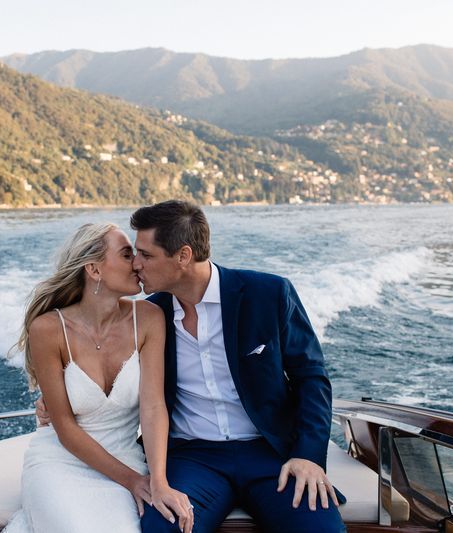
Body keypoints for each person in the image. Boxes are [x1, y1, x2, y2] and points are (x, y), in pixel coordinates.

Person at [38, 201, 346, 532]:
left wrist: (308, 455)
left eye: (146, 255)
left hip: (270, 454)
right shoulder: (150, 316)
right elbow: (99, 359)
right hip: (192, 458)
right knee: (163, 527)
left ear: (183, 257)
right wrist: (57, 400)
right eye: (132, 254)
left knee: (321, 528)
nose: (137, 265)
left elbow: (311, 378)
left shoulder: (268, 294)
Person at [4, 223, 194, 533]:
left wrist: (156, 481)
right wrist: (133, 482)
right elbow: (64, 427)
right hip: (60, 462)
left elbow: (153, 407)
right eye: (126, 254)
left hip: (127, 457)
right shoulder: (48, 330)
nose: (137, 263)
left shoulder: (148, 319)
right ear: (94, 270)